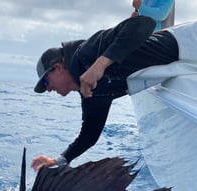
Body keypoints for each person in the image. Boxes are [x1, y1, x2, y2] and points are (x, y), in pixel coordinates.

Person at [31, 16, 180, 171]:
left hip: (185, 44)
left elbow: (144, 23)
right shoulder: (90, 93)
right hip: (180, 68)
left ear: (57, 67)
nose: (48, 89)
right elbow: (89, 136)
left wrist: (99, 66)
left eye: (46, 83)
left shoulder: (86, 52)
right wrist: (56, 161)